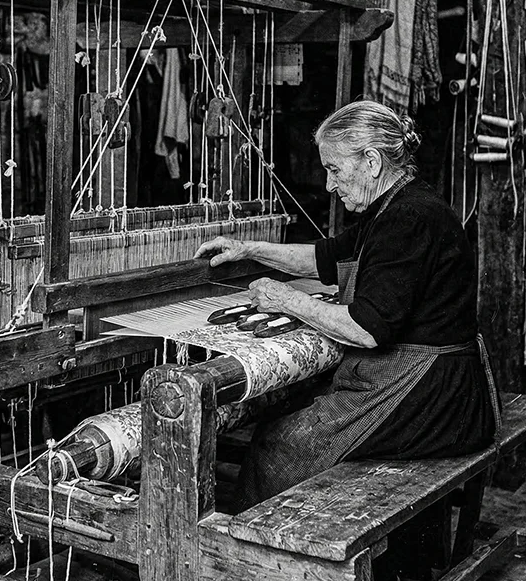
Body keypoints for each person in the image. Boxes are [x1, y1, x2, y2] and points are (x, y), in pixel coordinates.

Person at [195, 100, 498, 515]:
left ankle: (266, 557)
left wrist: (286, 299)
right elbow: (325, 258)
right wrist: (247, 248)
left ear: (371, 162)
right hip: (433, 383)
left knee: (282, 445)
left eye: (334, 169)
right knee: (296, 414)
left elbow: (367, 328)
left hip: (434, 396)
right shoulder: (395, 206)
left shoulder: (407, 219)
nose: (328, 185)